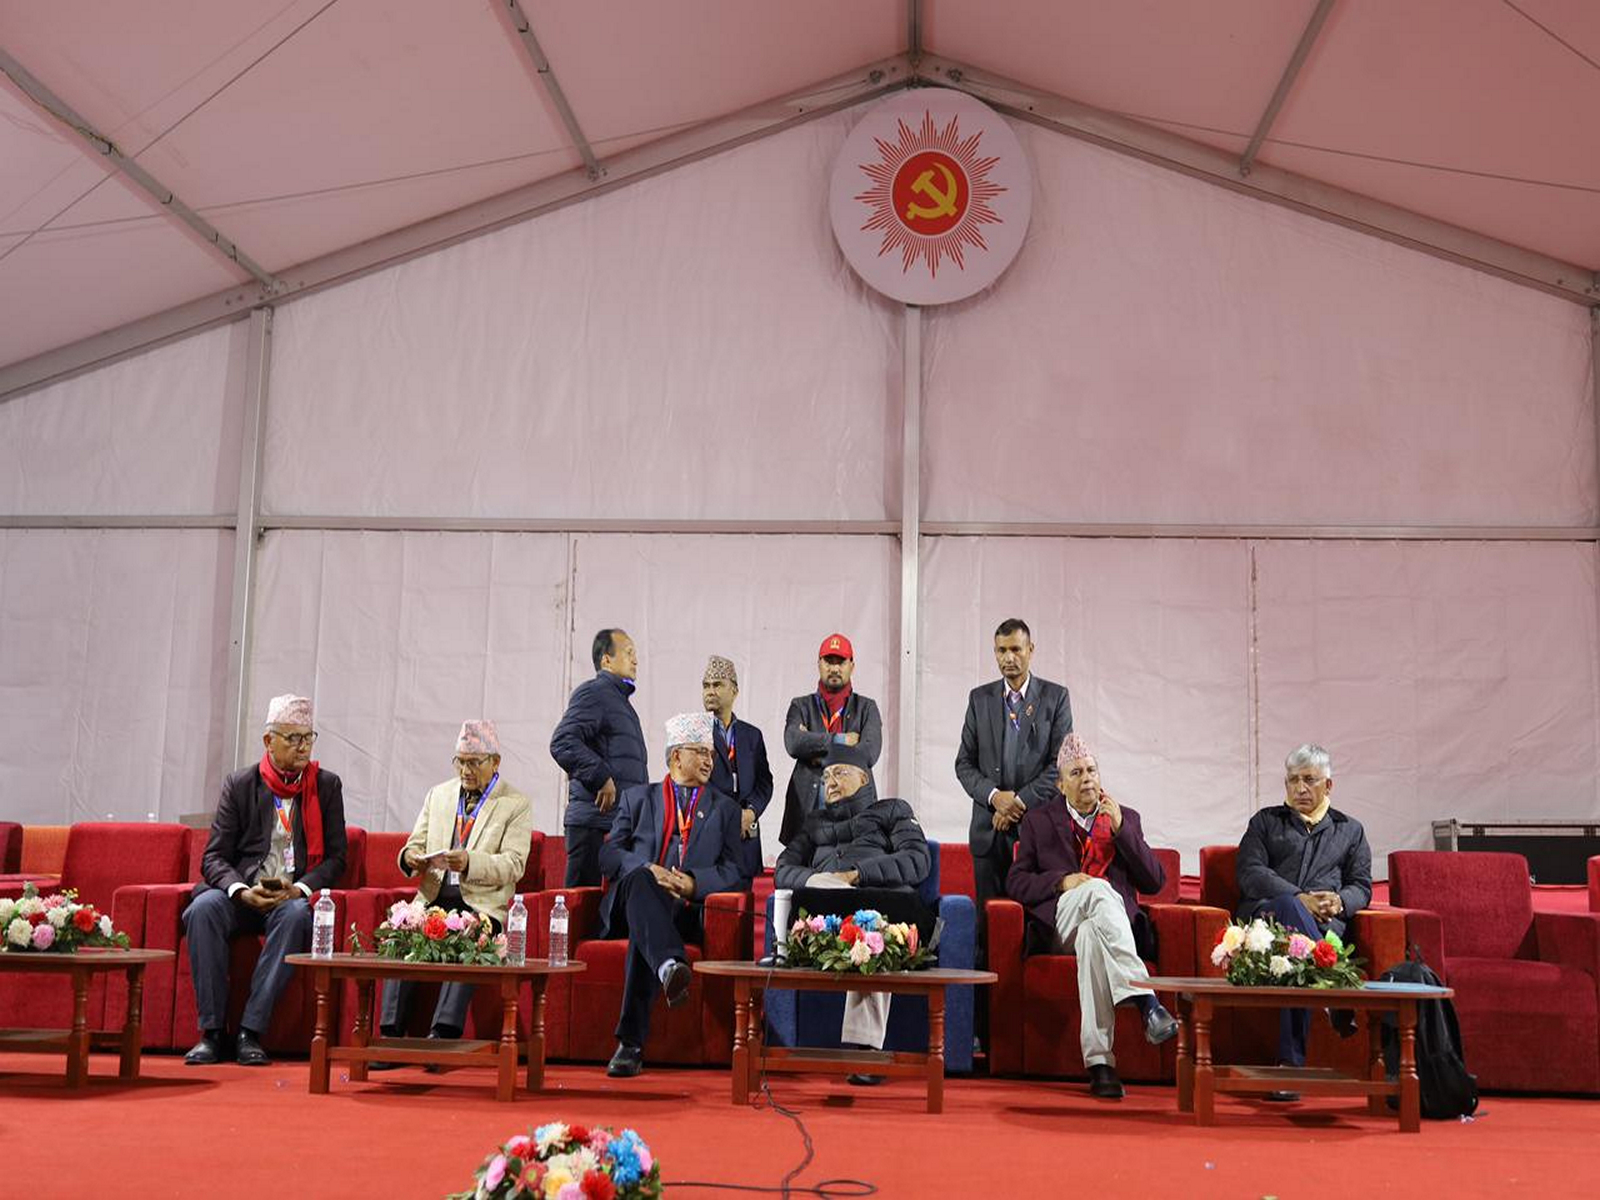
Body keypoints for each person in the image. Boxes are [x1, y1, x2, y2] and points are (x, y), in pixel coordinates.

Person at [1006, 733, 1178, 1099]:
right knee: (1097, 890)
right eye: (1077, 773)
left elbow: (1155, 882)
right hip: (1060, 922)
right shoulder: (1039, 821)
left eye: (1092, 771)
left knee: (1090, 936)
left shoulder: (1125, 818)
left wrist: (1122, 831)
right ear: (1061, 784)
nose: (1087, 779)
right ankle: (1146, 1001)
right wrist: (1063, 881)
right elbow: (1016, 882)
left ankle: (1101, 1065)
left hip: (1105, 929)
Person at [183, 694, 348, 1066]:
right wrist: (241, 891)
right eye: (293, 738)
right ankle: (211, 1033)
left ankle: (249, 1032)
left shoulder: (326, 786)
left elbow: (337, 858)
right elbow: (213, 857)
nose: (303, 747)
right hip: (243, 893)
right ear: (268, 741)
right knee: (203, 909)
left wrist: (299, 889)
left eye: (308, 737)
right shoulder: (241, 784)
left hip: (288, 897)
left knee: (297, 916)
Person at [600, 712, 748, 1078]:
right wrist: (647, 868)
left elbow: (735, 870)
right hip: (629, 903)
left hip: (683, 910)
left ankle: (631, 1044)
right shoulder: (637, 798)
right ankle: (669, 966)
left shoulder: (725, 809)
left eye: (711, 754)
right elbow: (608, 854)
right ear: (676, 757)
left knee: (646, 932)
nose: (709, 761)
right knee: (641, 883)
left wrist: (693, 884)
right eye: (700, 752)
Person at [773, 742, 930, 1084]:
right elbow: (783, 870)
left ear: (864, 778)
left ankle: (866, 1053)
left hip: (879, 915)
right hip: (825, 917)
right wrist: (824, 882)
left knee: (870, 931)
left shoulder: (893, 811)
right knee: (837, 905)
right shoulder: (813, 824)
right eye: (826, 776)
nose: (830, 782)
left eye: (839, 773)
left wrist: (856, 875)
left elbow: (917, 861)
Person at [375, 720, 534, 1054]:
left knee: (471, 935)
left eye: (474, 763)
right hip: (433, 899)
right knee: (400, 932)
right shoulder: (439, 795)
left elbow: (514, 864)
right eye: (460, 762)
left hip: (480, 905)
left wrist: (470, 862)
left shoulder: (515, 803)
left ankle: (443, 1034)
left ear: (495, 762)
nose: (465, 771)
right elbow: (414, 844)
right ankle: (390, 1034)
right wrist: (411, 857)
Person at [1236, 743, 1372, 1093]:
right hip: (1268, 923)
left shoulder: (1350, 830)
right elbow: (1250, 873)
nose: (1300, 788)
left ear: (1328, 785)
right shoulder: (1266, 822)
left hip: (1324, 929)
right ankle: (1331, 989)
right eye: (1293, 780)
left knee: (1298, 948)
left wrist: (1340, 901)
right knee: (1289, 907)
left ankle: (1289, 1066)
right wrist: (1300, 898)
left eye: (1309, 780)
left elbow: (1361, 886)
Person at [955, 617, 1074, 925]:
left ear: (1031, 650)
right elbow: (964, 763)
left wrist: (1017, 803)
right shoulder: (979, 699)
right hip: (988, 831)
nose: (1009, 657)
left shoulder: (1055, 697)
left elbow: (1060, 766)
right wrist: (995, 798)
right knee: (988, 925)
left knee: (1035, 923)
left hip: (1037, 831)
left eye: (1016, 649)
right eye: (1001, 650)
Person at [550, 628, 648, 887]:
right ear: (606, 660)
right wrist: (601, 776)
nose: (636, 660)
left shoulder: (621, 703)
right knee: (582, 905)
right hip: (593, 824)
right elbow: (563, 741)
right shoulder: (594, 693)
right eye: (629, 653)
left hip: (616, 824)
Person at [778, 633, 882, 846]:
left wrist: (816, 752)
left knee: (853, 864)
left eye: (840, 662)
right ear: (819, 664)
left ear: (852, 666)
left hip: (854, 810)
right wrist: (841, 740)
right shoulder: (800, 706)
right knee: (800, 866)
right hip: (806, 809)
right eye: (828, 661)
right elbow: (794, 743)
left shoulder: (867, 708)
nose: (834, 668)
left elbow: (869, 754)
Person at [702, 654, 774, 881]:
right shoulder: (696, 732)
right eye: (706, 686)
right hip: (711, 832)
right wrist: (732, 816)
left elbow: (764, 782)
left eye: (717, 685)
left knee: (747, 896)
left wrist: (751, 812)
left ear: (734, 691)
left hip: (746, 836)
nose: (710, 691)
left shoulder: (752, 735)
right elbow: (694, 783)